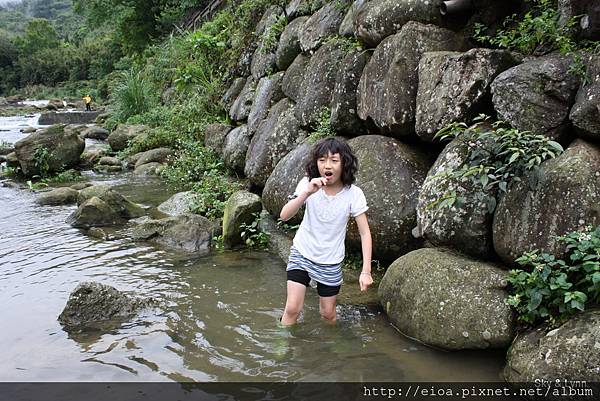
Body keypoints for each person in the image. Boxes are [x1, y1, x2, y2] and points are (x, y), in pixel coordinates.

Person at [279, 138, 373, 326]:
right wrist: (307, 193)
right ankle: (282, 345)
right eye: (322, 160)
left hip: (330, 261)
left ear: (344, 163)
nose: (327, 165)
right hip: (302, 253)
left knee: (328, 314)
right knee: (292, 309)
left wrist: (366, 271)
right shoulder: (307, 184)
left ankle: (330, 347)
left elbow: (365, 233)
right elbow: (284, 216)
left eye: (334, 160)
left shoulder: (353, 194)